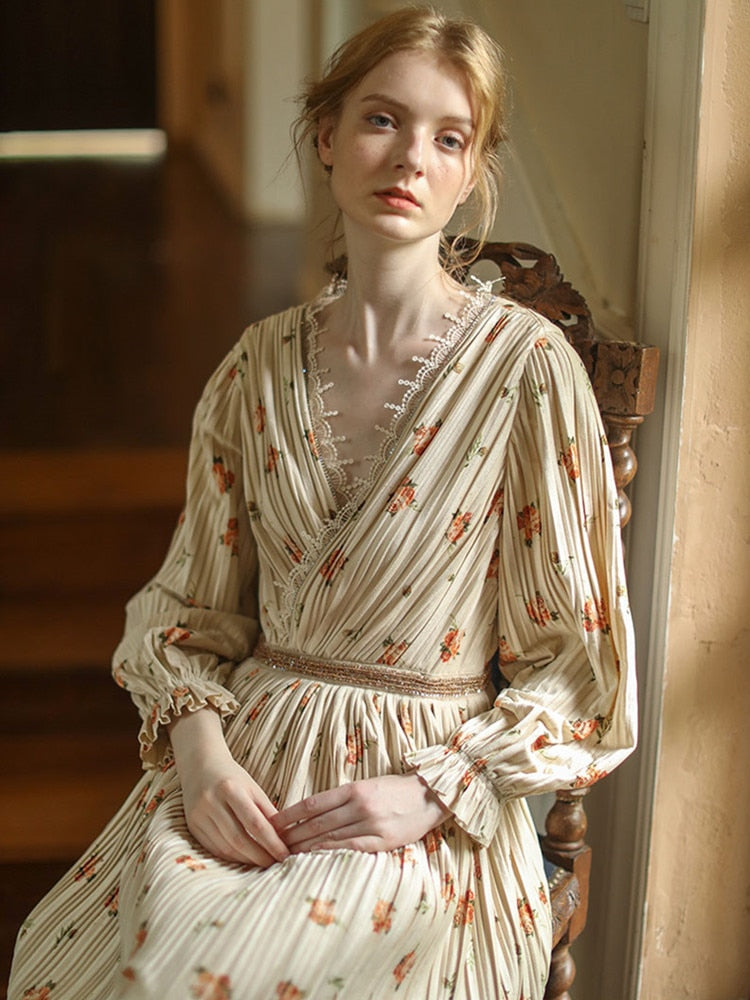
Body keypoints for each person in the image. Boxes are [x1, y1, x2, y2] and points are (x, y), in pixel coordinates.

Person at [8, 7, 637, 999]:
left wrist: (436, 790)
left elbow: (578, 663)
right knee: (113, 966)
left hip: (417, 806)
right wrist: (201, 760)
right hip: (243, 775)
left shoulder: (526, 370)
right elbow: (187, 611)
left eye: (449, 137)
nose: (411, 157)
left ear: (473, 171)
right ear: (327, 135)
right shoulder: (253, 367)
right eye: (383, 119)